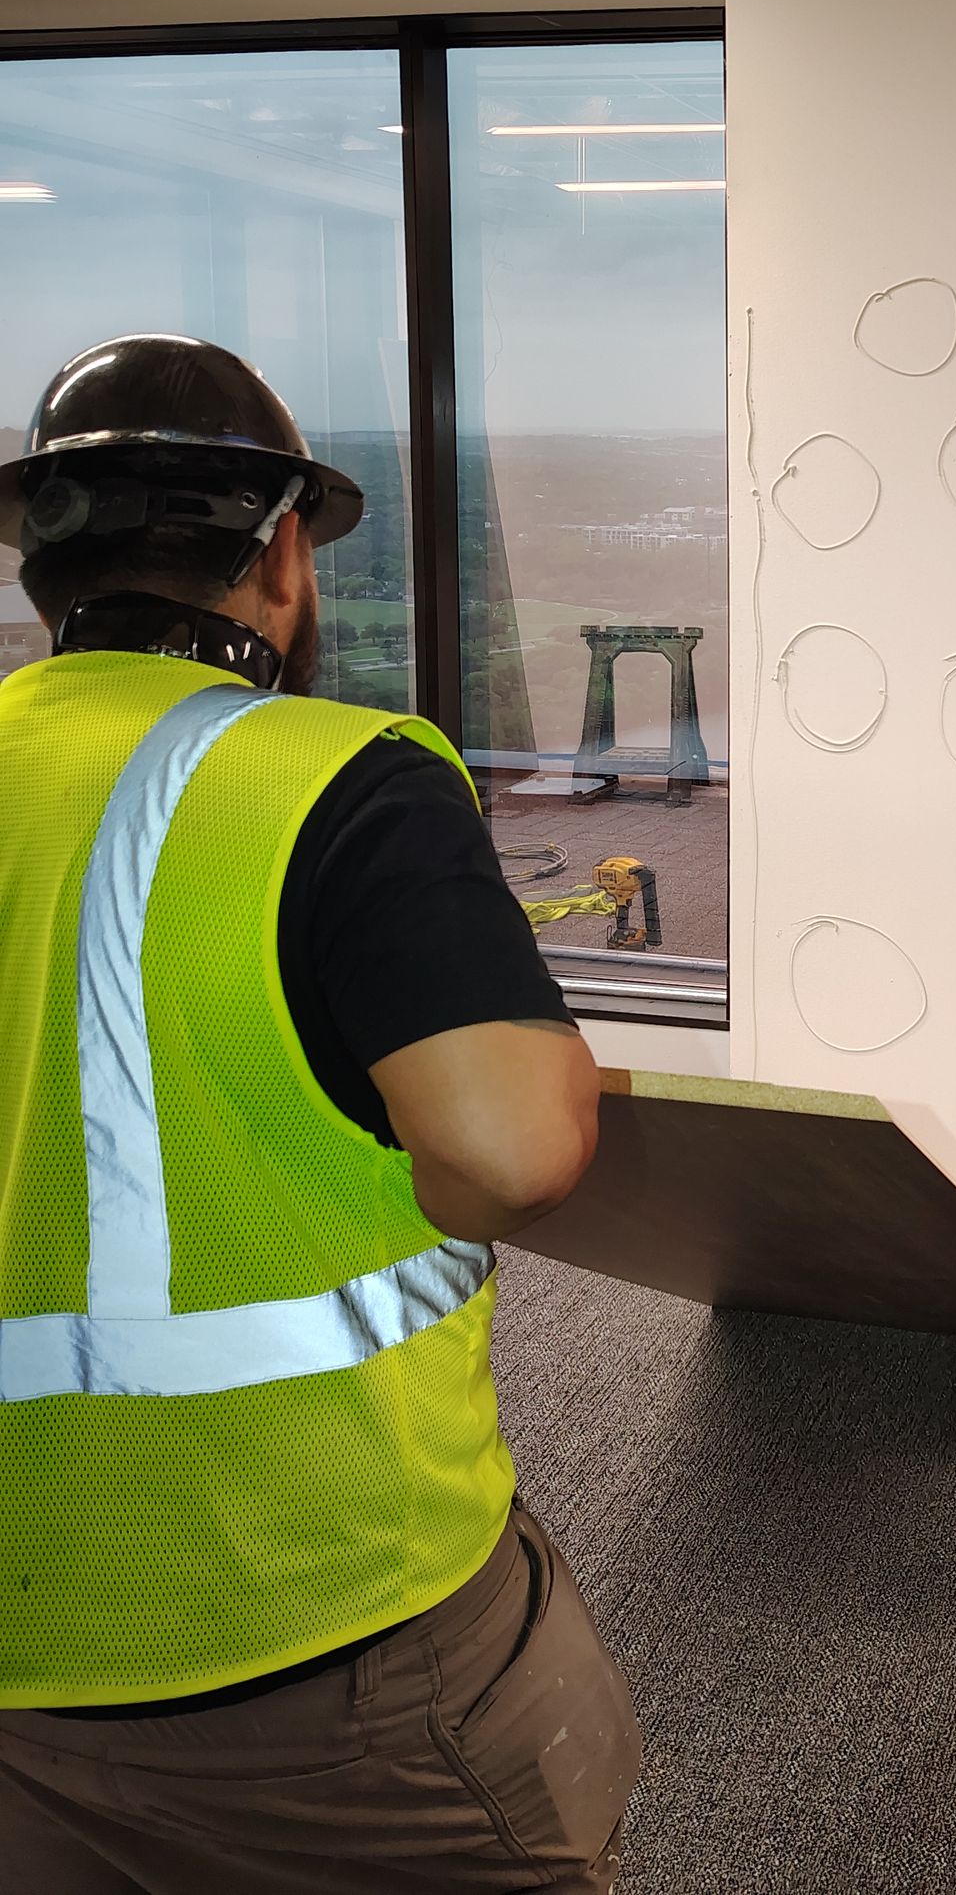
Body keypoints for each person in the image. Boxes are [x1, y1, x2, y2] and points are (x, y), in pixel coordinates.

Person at [0, 335, 644, 1891]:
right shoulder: (336, 775)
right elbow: (511, 1150)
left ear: (46, 570)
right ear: (283, 556)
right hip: (302, 1608)